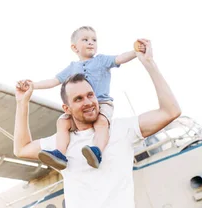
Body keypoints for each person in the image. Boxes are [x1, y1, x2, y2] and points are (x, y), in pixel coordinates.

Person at [13, 39, 180, 208]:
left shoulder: (122, 130)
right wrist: (22, 102)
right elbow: (21, 148)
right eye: (79, 99)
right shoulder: (61, 142)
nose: (89, 102)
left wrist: (149, 64)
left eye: (91, 95)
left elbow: (171, 111)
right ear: (67, 109)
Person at [17, 26, 142, 170]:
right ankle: (60, 154)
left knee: (101, 123)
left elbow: (119, 58)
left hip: (101, 103)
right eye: (85, 39)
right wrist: (32, 86)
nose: (91, 42)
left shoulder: (101, 60)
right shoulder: (72, 67)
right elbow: (53, 81)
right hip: (80, 109)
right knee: (62, 122)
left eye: (94, 40)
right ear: (75, 48)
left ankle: (97, 151)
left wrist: (135, 51)